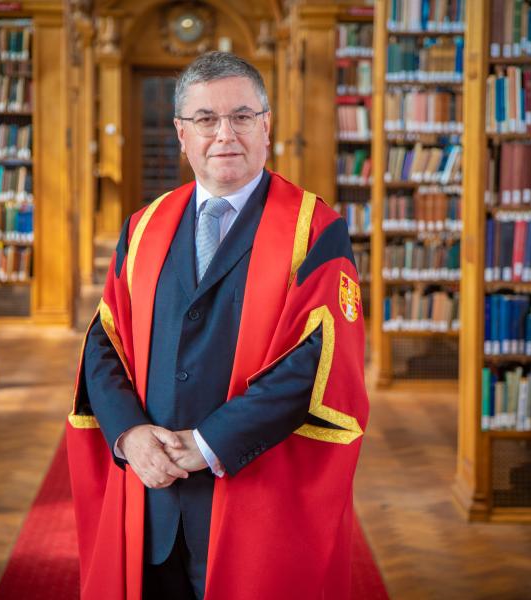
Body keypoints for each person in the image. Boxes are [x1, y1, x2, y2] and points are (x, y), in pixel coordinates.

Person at [67, 51, 369, 600]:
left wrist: (207, 443)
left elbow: (315, 363)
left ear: (266, 126)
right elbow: (104, 343)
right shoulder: (144, 226)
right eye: (206, 119)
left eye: (242, 116)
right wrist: (128, 435)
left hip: (252, 497)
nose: (224, 134)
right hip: (151, 493)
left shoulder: (315, 230)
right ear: (182, 134)